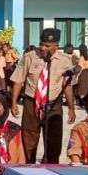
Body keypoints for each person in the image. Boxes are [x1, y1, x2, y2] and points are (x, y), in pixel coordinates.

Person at [10, 28, 76, 164]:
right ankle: (29, 168)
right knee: (28, 141)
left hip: (53, 104)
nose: (42, 48)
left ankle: (50, 171)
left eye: (47, 45)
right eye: (41, 44)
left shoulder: (65, 60)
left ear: (56, 46)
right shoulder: (29, 57)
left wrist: (71, 107)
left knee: (54, 143)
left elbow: (68, 85)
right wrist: (14, 102)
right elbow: (18, 80)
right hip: (31, 103)